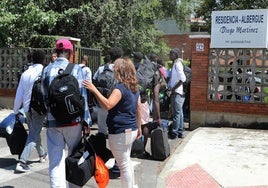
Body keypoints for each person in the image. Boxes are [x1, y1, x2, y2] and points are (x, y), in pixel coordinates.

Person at [83, 57, 142, 188]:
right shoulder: (134, 88)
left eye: (115, 69)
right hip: (131, 129)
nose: (114, 71)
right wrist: (139, 127)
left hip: (120, 131)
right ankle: (131, 185)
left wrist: (94, 89)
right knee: (126, 161)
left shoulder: (120, 88)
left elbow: (108, 104)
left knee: (123, 164)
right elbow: (139, 108)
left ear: (119, 71)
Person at [42, 38, 91, 188]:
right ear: (70, 53)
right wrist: (87, 121)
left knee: (55, 162)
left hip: (53, 122)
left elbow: (45, 98)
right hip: (74, 121)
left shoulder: (46, 70)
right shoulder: (76, 69)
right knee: (74, 158)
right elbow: (83, 97)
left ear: (56, 52)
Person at [14, 50, 48, 173]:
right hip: (39, 109)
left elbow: (19, 94)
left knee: (35, 131)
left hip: (27, 108)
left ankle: (42, 154)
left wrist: (16, 110)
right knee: (33, 134)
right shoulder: (44, 72)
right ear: (43, 60)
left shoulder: (26, 73)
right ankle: (22, 162)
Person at [92, 48, 123, 136]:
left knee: (102, 127)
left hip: (102, 99)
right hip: (116, 100)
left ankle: (101, 142)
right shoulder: (120, 69)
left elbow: (94, 81)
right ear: (120, 57)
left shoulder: (101, 68)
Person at [167, 48, 186, 139]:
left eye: (171, 54)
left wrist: (173, 89)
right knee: (180, 113)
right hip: (176, 92)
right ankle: (181, 132)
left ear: (175, 54)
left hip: (177, 92)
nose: (169, 56)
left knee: (176, 114)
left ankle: (174, 133)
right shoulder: (175, 64)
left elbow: (183, 79)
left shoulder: (178, 65)